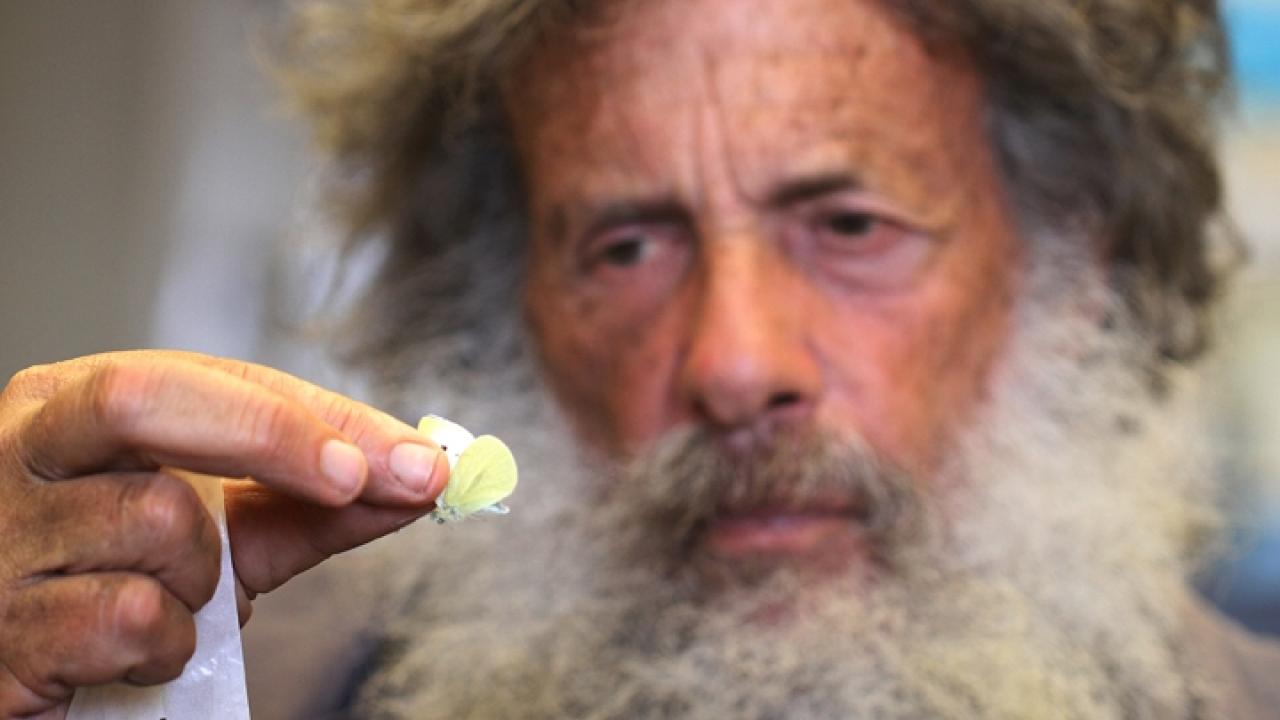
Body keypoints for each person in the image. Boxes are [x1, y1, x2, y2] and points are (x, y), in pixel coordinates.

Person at [2, 0, 1278, 717]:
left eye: (848, 226)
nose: (731, 362)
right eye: (625, 245)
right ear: (508, 306)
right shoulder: (204, 687)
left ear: (1069, 273)